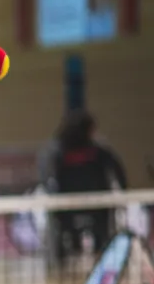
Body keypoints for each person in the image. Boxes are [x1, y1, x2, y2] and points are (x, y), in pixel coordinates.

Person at [41, 109, 128, 260]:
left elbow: (47, 176)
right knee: (99, 232)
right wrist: (123, 187)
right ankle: (99, 251)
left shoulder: (59, 150)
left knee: (67, 229)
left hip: (72, 206)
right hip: (90, 206)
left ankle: (73, 251)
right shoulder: (96, 149)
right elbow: (117, 168)